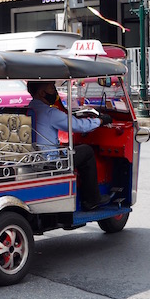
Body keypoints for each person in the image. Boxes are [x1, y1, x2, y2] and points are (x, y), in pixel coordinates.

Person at [26, 81, 112, 211]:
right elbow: (78, 126)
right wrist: (100, 120)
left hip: (33, 158)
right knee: (86, 151)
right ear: (42, 92)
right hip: (50, 162)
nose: (54, 91)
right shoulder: (50, 113)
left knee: (69, 149)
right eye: (51, 87)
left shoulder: (28, 110)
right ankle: (92, 200)